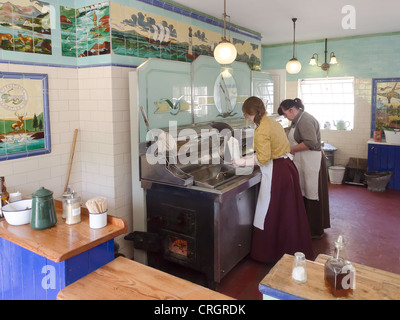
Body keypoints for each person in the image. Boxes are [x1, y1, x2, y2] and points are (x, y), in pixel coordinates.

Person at [232, 96, 314, 263]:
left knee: (269, 211)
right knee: (289, 213)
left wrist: (242, 161)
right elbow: (271, 149)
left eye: (246, 115)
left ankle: (270, 253)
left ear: (248, 113)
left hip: (277, 173)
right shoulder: (272, 123)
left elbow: (263, 157)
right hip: (288, 168)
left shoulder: (261, 129)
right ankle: (293, 251)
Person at [278, 98, 330, 238]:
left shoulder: (305, 120)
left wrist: (291, 149)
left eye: (285, 114)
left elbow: (310, 142)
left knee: (313, 193)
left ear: (291, 109)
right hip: (304, 162)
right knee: (305, 192)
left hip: (312, 162)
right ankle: (306, 227)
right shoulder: (297, 120)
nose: (285, 117)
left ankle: (315, 230)